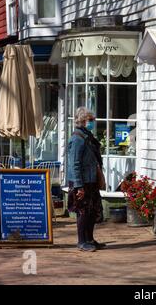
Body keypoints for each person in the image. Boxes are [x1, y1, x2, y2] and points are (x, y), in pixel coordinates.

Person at [67, 107, 105, 252]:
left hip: (91, 180)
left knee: (92, 211)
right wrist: (79, 186)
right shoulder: (77, 139)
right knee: (83, 211)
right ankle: (82, 241)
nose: (93, 122)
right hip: (81, 182)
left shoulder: (87, 135)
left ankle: (90, 239)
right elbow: (74, 163)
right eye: (90, 120)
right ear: (82, 121)